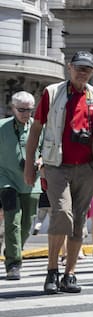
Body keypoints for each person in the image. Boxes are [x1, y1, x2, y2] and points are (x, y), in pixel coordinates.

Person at [24, 50, 93, 295]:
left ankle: (70, 274)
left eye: (87, 69)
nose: (82, 72)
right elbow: (36, 129)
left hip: (87, 167)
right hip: (57, 164)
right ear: (69, 68)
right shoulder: (52, 93)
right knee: (62, 213)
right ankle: (52, 270)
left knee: (78, 221)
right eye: (78, 68)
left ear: (92, 72)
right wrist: (30, 164)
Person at [0, 91, 42, 280]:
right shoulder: (2, 127)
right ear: (13, 108)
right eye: (21, 110)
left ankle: (12, 250)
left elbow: (47, 149)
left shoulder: (39, 127)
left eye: (29, 110)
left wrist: (41, 160)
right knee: (13, 221)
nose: (26, 114)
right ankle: (13, 264)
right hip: (6, 180)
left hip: (31, 181)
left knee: (27, 223)